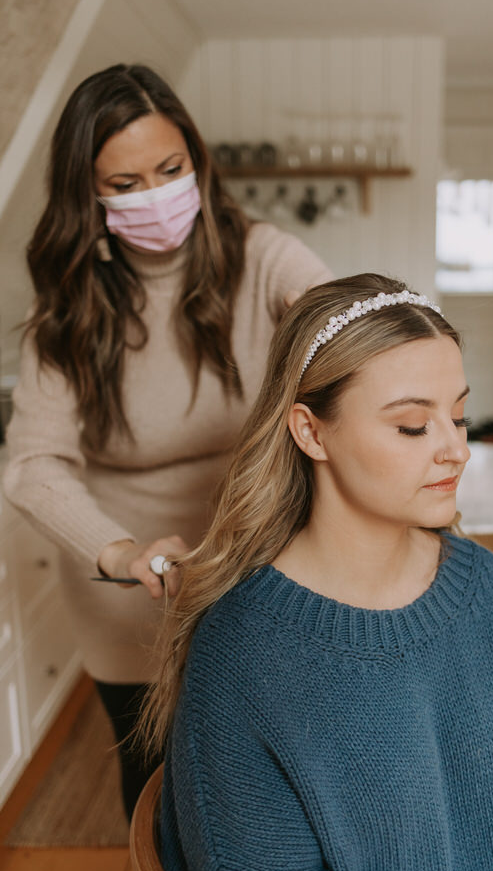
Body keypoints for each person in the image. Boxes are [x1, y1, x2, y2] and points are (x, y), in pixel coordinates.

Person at [143, 273, 493, 871]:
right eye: (414, 425)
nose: (457, 449)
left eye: (460, 415)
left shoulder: (485, 589)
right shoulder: (242, 655)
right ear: (311, 432)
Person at [2, 63, 332, 821]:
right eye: (123, 183)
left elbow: (334, 315)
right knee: (157, 789)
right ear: (87, 194)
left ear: (198, 162)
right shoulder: (66, 313)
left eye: (170, 169)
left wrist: (347, 335)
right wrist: (121, 554)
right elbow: (32, 467)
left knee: (271, 779)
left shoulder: (263, 257)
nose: (154, 194)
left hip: (259, 565)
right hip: (131, 584)